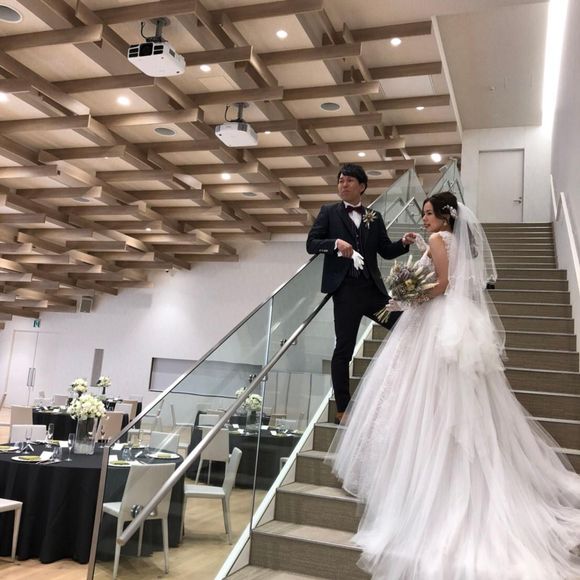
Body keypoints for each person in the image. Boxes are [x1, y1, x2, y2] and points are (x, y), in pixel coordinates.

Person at [328, 191, 580, 579]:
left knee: (422, 391)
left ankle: (420, 482)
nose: (424, 219)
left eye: (429, 213)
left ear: (445, 217)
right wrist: (412, 287)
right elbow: (447, 277)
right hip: (449, 319)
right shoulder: (453, 241)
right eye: (424, 214)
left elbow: (443, 284)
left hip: (434, 318)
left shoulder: (438, 239)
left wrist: (412, 297)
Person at [306, 164, 416, 424]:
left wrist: (403, 243)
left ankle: (409, 392)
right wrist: (335, 244)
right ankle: (343, 409)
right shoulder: (329, 212)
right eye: (340, 180)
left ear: (362, 186)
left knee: (407, 325)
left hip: (373, 292)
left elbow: (385, 250)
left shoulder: (374, 217)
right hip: (345, 293)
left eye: (349, 181)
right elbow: (311, 244)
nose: (343, 184)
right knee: (343, 349)